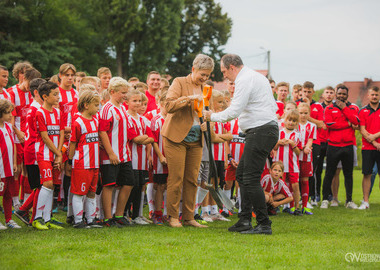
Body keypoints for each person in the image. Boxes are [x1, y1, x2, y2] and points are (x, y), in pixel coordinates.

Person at [204, 54, 278, 235]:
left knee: (250, 177)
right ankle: (245, 219)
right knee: (242, 175)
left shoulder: (244, 79)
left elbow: (235, 110)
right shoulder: (254, 76)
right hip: (262, 130)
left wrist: (211, 116)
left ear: (231, 67)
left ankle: (264, 223)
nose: (224, 76)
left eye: (224, 71)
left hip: (260, 130)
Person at [162, 54, 214, 228]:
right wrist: (190, 99)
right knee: (176, 178)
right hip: (176, 137)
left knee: (192, 179)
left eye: (207, 75)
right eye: (202, 74)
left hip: (196, 139)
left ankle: (189, 217)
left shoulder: (206, 88)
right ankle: (173, 217)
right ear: (194, 69)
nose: (204, 78)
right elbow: (169, 106)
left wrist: (205, 122)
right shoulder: (179, 82)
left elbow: (206, 112)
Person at [98, 77, 135, 227]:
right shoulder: (107, 109)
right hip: (111, 155)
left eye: (126, 92)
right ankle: (107, 218)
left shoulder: (122, 108)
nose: (125, 95)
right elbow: (103, 132)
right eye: (122, 93)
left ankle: (119, 214)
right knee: (109, 185)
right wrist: (111, 153)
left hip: (124, 154)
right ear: (112, 92)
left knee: (129, 183)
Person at [321, 84, 359, 209]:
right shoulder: (329, 108)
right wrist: (347, 123)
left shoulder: (352, 108)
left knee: (348, 174)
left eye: (344, 94)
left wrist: (344, 109)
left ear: (347, 95)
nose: (341, 96)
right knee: (329, 173)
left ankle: (349, 201)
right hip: (333, 146)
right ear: (336, 94)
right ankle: (325, 199)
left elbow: (355, 121)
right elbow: (330, 124)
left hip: (348, 146)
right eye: (340, 93)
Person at [32, 82, 65, 230]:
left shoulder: (58, 112)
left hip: (56, 154)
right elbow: (45, 137)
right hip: (44, 154)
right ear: (45, 97)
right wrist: (58, 153)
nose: (58, 97)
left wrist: (59, 155)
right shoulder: (39, 113)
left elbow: (62, 132)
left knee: (52, 186)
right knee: (47, 184)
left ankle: (47, 218)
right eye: (55, 94)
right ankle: (37, 218)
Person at [68, 90, 102, 228]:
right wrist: (70, 162)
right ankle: (78, 220)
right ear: (86, 105)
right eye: (96, 105)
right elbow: (72, 143)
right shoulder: (78, 122)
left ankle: (90, 219)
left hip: (94, 163)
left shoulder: (95, 120)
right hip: (82, 163)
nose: (98, 108)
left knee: (91, 192)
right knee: (79, 192)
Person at [15, 78, 45, 225]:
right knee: (40, 186)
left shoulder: (35, 108)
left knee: (41, 185)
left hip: (34, 150)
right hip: (34, 151)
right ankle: (26, 212)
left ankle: (26, 211)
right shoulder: (36, 110)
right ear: (36, 92)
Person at [126, 89, 154, 225]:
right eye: (135, 101)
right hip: (131, 159)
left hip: (142, 161)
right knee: (131, 185)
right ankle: (126, 213)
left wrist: (143, 139)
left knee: (140, 185)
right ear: (127, 102)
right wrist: (144, 138)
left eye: (140, 101)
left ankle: (137, 214)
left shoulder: (143, 120)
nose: (138, 104)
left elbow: (152, 138)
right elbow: (135, 139)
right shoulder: (126, 118)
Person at [297, 81, 324, 206]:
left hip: (314, 142)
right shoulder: (296, 104)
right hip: (297, 145)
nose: (307, 94)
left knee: (311, 172)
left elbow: (321, 124)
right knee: (295, 173)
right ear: (301, 91)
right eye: (305, 91)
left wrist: (307, 116)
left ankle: (311, 197)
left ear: (313, 92)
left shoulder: (317, 106)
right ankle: (295, 199)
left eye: (309, 91)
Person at [273, 110, 302, 215]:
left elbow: (298, 152)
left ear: (296, 123)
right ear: (285, 120)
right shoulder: (279, 132)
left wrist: (292, 144)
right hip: (279, 165)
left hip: (292, 165)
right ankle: (275, 205)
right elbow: (274, 147)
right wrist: (278, 142)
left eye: (294, 121)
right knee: (278, 186)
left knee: (295, 186)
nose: (291, 123)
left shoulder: (297, 135)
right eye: (289, 120)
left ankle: (297, 207)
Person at [0, 99, 21, 229]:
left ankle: (9, 219)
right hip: (0, 168)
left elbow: (12, 145)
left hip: (8, 168)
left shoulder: (8, 126)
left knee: (8, 194)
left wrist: (14, 162)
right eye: (7, 113)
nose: (10, 115)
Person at [358, 86, 380, 209]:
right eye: (372, 95)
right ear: (368, 96)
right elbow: (362, 129)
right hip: (368, 148)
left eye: (376, 94)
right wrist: (375, 143)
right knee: (367, 174)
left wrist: (375, 137)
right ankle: (365, 201)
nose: (374, 97)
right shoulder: (363, 111)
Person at [314, 86, 335, 206]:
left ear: (334, 95)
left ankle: (329, 194)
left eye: (331, 93)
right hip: (320, 141)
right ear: (323, 94)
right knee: (318, 170)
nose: (329, 95)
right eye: (327, 92)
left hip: (331, 142)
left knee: (331, 170)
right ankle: (317, 194)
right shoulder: (318, 107)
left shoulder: (335, 108)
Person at [151, 93, 168, 225]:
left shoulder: (174, 119)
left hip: (172, 157)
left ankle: (168, 213)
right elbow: (154, 141)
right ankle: (157, 213)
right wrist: (160, 156)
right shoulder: (157, 120)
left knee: (170, 185)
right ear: (161, 104)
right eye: (167, 104)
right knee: (160, 186)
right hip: (161, 159)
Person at [297, 103, 317, 214]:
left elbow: (310, 140)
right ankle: (292, 205)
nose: (303, 115)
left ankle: (305, 205)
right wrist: (301, 147)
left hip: (306, 157)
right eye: (301, 113)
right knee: (293, 181)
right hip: (294, 157)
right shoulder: (294, 125)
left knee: (305, 180)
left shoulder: (312, 126)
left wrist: (307, 148)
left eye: (305, 113)